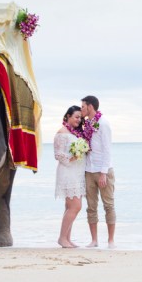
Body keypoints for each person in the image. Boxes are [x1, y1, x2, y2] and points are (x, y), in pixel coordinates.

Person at [80, 95, 115, 248]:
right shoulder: (87, 124)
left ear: (90, 107)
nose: (81, 109)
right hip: (89, 170)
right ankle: (94, 241)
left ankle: (111, 241)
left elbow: (108, 150)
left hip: (103, 170)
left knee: (108, 205)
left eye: (83, 106)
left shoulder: (103, 123)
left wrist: (103, 173)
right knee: (91, 206)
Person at [53, 105, 87, 248]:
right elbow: (58, 155)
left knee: (69, 207)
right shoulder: (62, 132)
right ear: (67, 116)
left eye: (80, 118)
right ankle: (62, 238)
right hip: (67, 172)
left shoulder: (74, 133)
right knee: (76, 206)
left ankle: (67, 238)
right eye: (76, 117)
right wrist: (73, 157)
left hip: (76, 172)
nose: (78, 120)